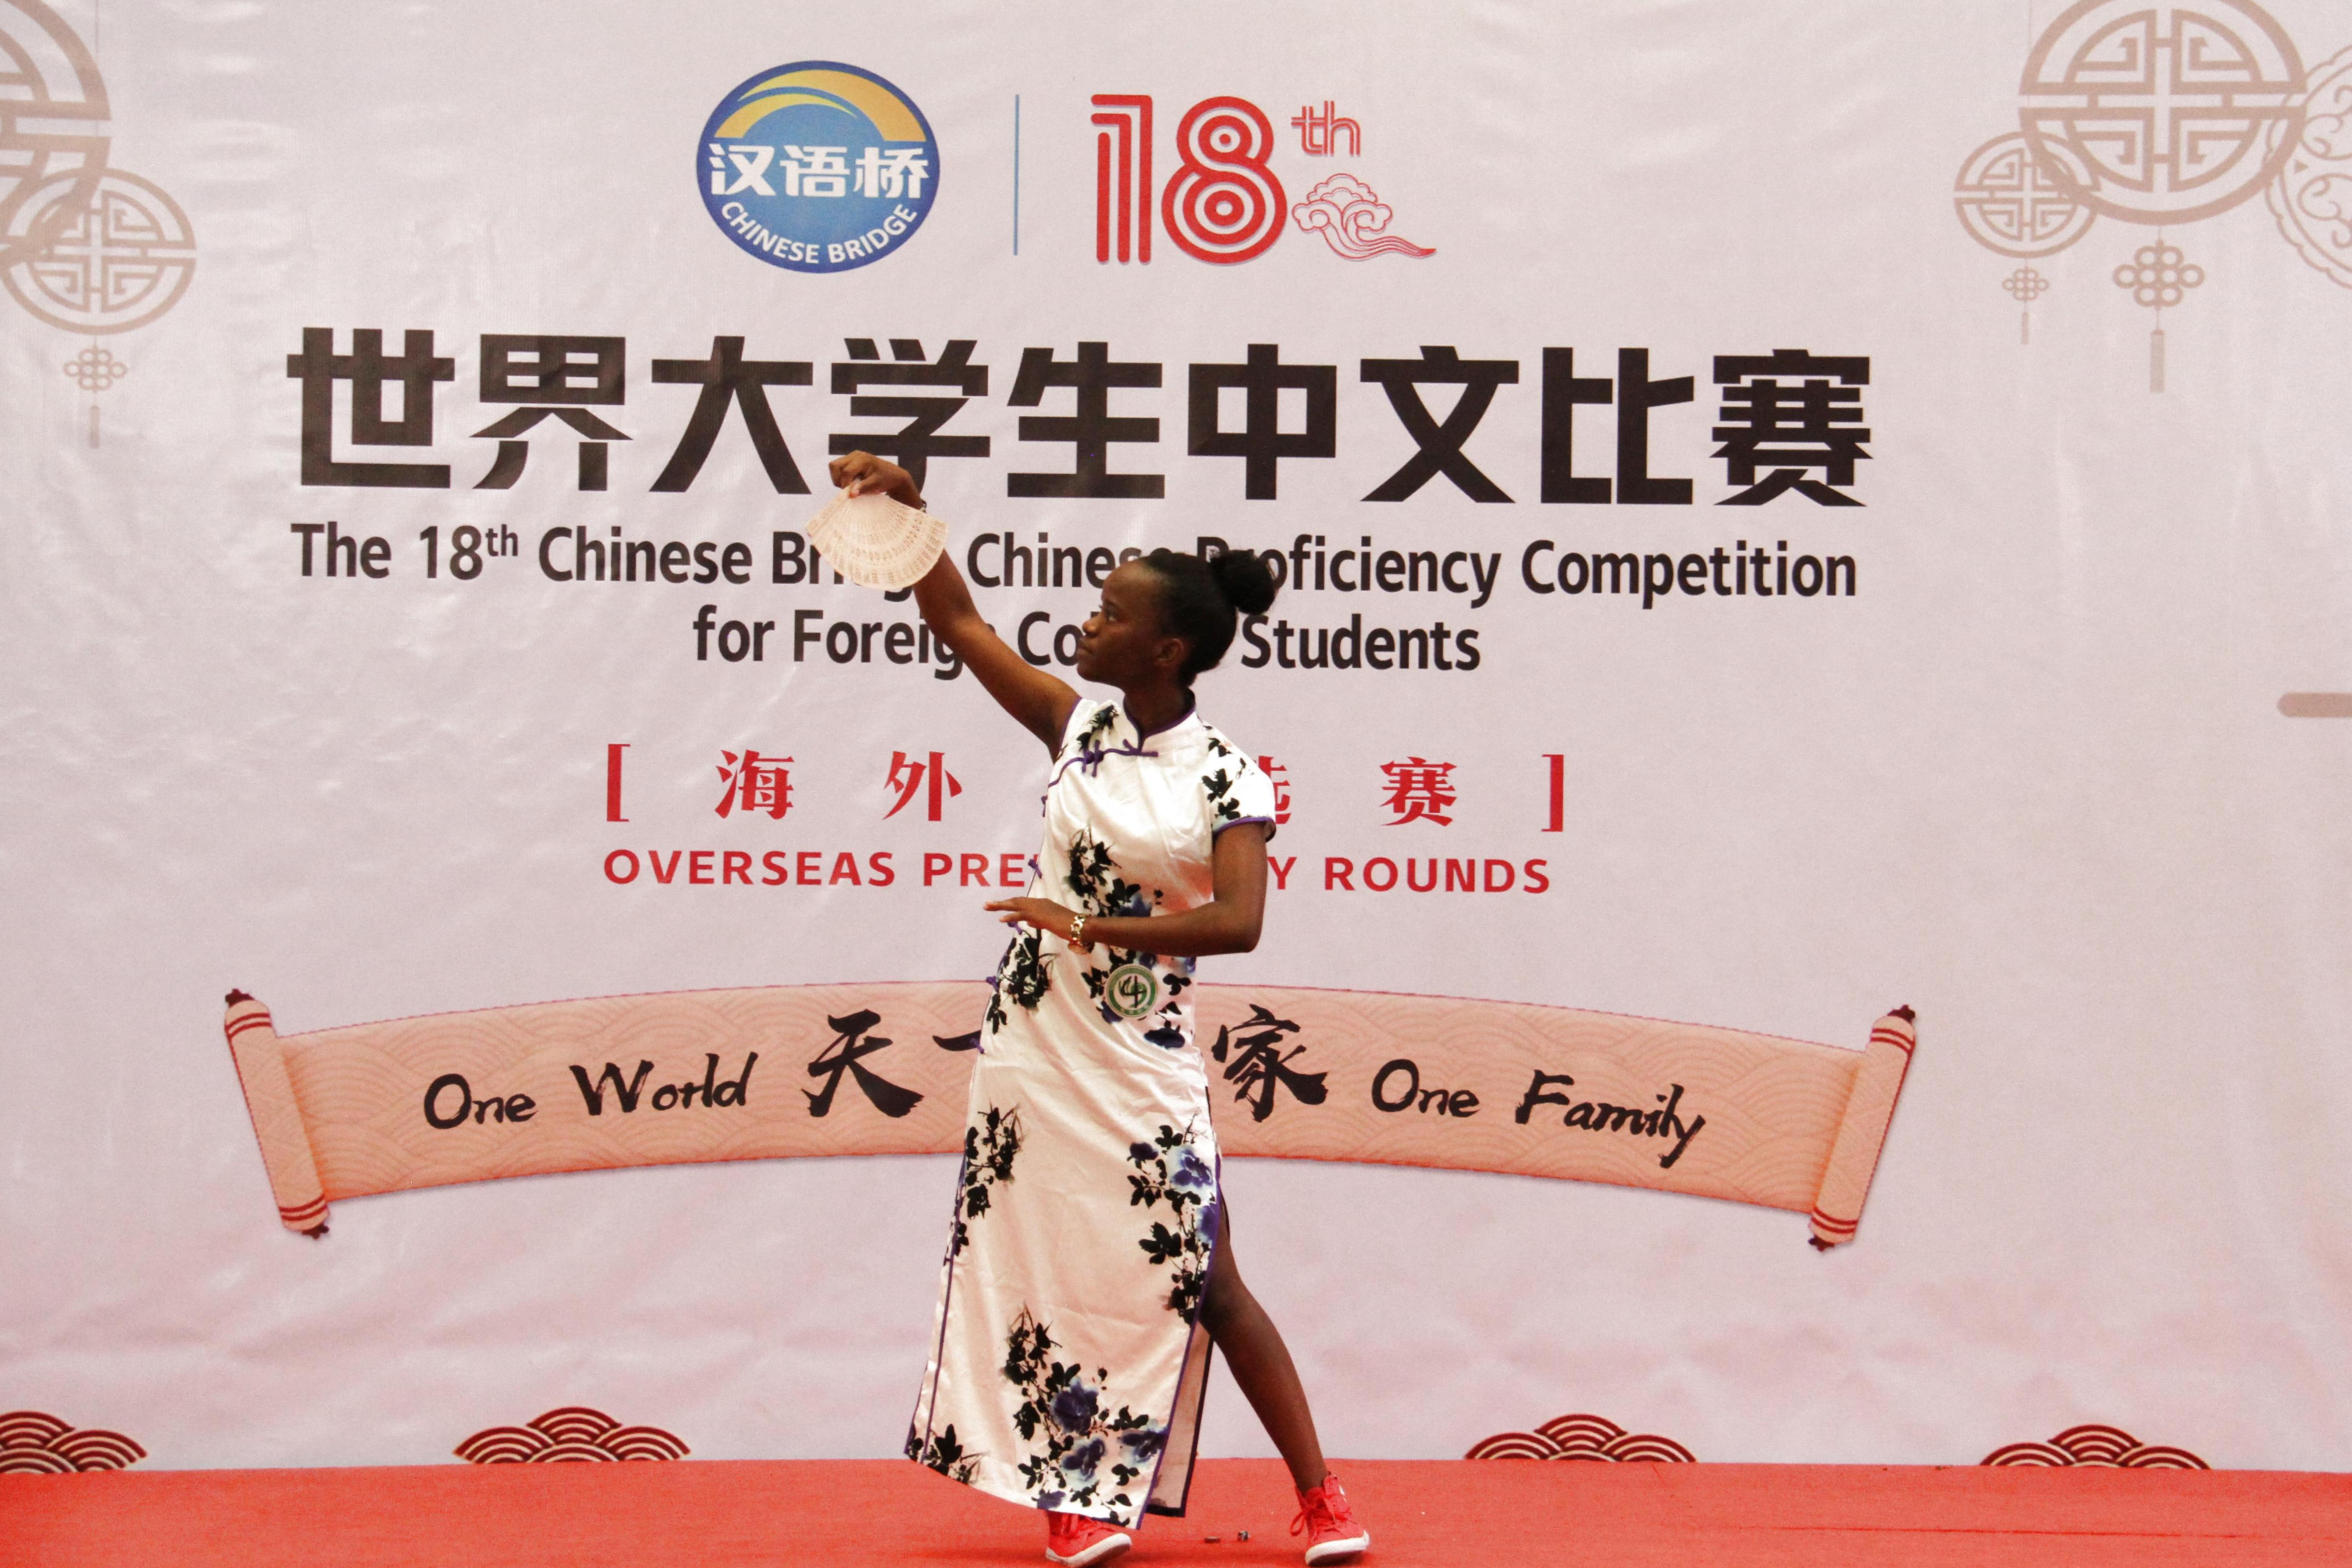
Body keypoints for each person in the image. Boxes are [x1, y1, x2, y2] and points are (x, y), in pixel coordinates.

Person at [827, 452, 1371, 1568]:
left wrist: (1086, 924)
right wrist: (916, 513)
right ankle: (1070, 1497)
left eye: (1113, 612)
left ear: (1166, 650)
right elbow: (961, 623)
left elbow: (1237, 922)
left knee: (1207, 1274)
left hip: (1139, 1050)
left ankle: (1321, 1495)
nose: (1087, 620)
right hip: (1036, 1043)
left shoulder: (1228, 776)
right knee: (1038, 1259)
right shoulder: (1075, 727)